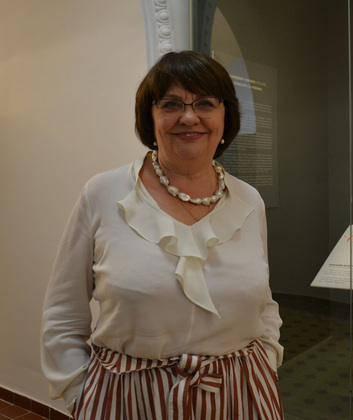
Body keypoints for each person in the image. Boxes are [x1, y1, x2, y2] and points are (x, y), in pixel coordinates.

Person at [41, 50, 284, 419]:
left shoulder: (249, 200)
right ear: (149, 117)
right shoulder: (103, 193)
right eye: (171, 104)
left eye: (205, 103)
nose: (189, 117)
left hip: (240, 394)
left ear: (226, 115)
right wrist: (80, 393)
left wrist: (265, 363)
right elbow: (63, 312)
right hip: (127, 398)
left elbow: (264, 304)